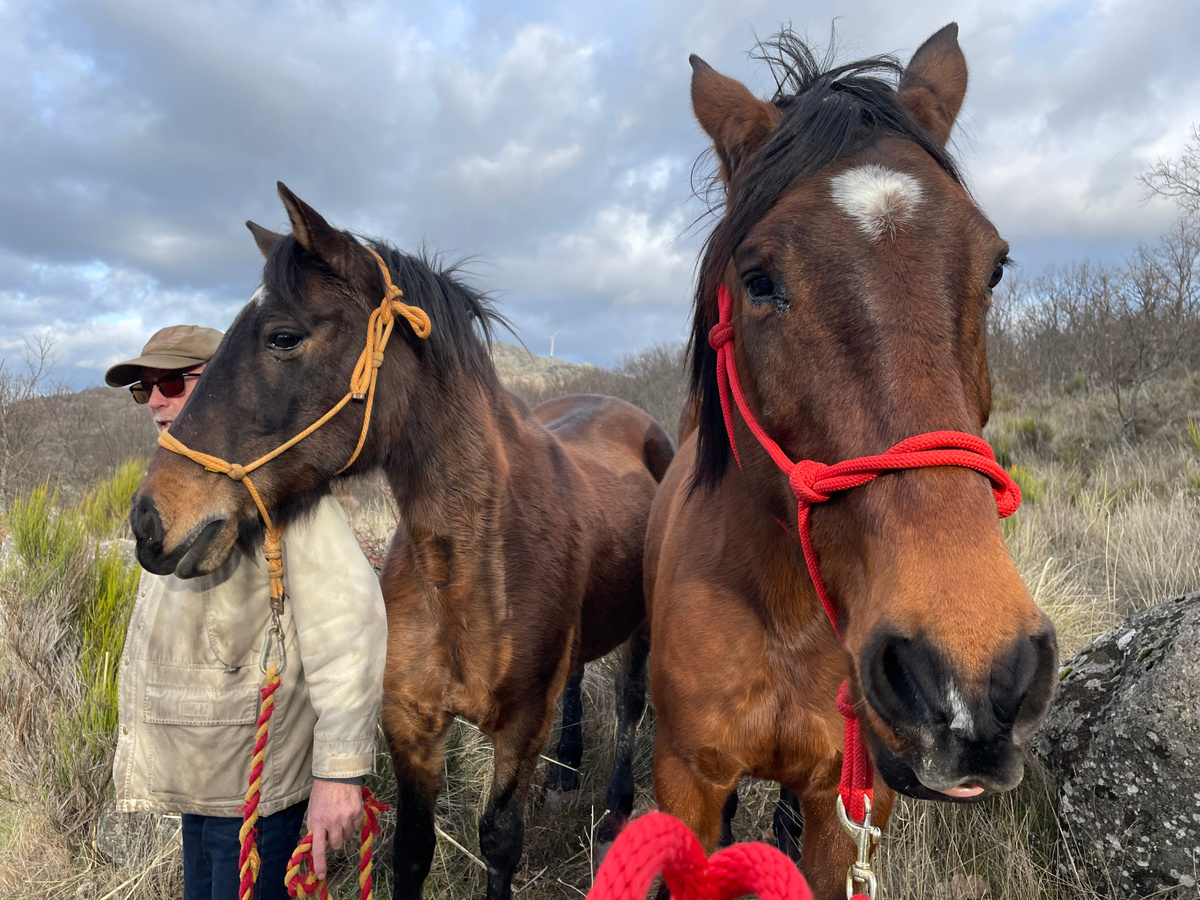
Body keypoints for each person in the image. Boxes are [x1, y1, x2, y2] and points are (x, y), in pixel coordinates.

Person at [105, 324, 388, 900]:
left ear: (222, 383)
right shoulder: (184, 483)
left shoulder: (277, 488)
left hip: (258, 795)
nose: (155, 400)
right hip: (201, 784)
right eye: (144, 388)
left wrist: (338, 773)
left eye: (172, 383)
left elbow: (348, 626)